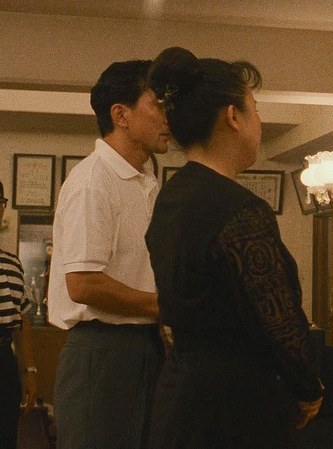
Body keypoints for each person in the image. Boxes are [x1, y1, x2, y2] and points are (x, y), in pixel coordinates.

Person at [144, 47, 323, 449]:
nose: (259, 122)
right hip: (235, 404)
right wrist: (308, 386)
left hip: (179, 394)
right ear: (233, 116)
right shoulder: (239, 209)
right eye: (254, 110)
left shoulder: (171, 198)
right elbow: (277, 319)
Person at [48, 59, 170, 449]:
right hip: (101, 350)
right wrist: (167, 306)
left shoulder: (146, 181)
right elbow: (83, 284)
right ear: (121, 115)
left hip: (143, 344)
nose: (169, 116)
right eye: (158, 104)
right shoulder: (93, 180)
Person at [0, 180, 38, 449]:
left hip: (4, 359)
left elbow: (22, 321)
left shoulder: (12, 263)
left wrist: (30, 371)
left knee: (5, 434)